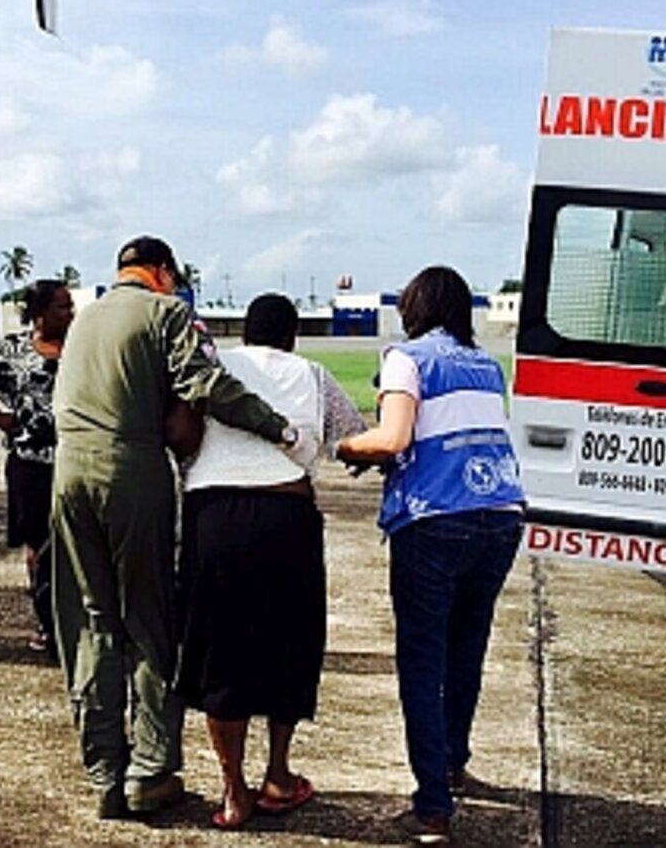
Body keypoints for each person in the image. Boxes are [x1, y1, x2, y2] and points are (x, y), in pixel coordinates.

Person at [50, 236, 300, 820]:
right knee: (148, 621)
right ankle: (151, 771)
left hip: (68, 472)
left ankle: (105, 774)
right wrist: (275, 426)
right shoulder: (167, 311)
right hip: (129, 468)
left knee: (90, 625)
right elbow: (204, 385)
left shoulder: (84, 319)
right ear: (162, 273)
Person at [336, 266, 525, 846]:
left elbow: (393, 439)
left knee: (421, 658)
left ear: (413, 309)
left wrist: (347, 445)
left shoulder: (408, 358)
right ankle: (452, 762)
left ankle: (433, 806)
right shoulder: (486, 365)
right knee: (466, 649)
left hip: (435, 520)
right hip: (500, 515)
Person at [176, 293, 366, 830]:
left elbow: (180, 431)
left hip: (213, 515)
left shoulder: (215, 368)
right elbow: (351, 439)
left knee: (220, 652)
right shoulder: (313, 374)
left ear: (246, 333)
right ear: (291, 336)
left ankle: (233, 789)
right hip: (286, 515)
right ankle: (278, 775)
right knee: (290, 645)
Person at [0, 280, 74, 659]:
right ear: (39, 314)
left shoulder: (83, 349)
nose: (70, 313)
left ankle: (75, 620)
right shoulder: (11, 349)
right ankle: (46, 621)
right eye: (61, 307)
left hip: (76, 462)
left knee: (75, 545)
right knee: (37, 544)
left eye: (70, 306)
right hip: (30, 464)